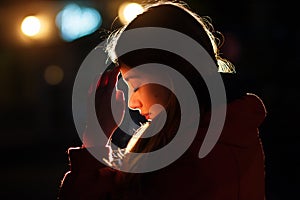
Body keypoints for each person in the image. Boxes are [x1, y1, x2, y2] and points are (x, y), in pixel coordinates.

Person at [58, 1, 267, 199]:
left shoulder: (193, 161)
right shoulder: (218, 133)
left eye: (137, 85)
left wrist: (96, 136)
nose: (132, 103)